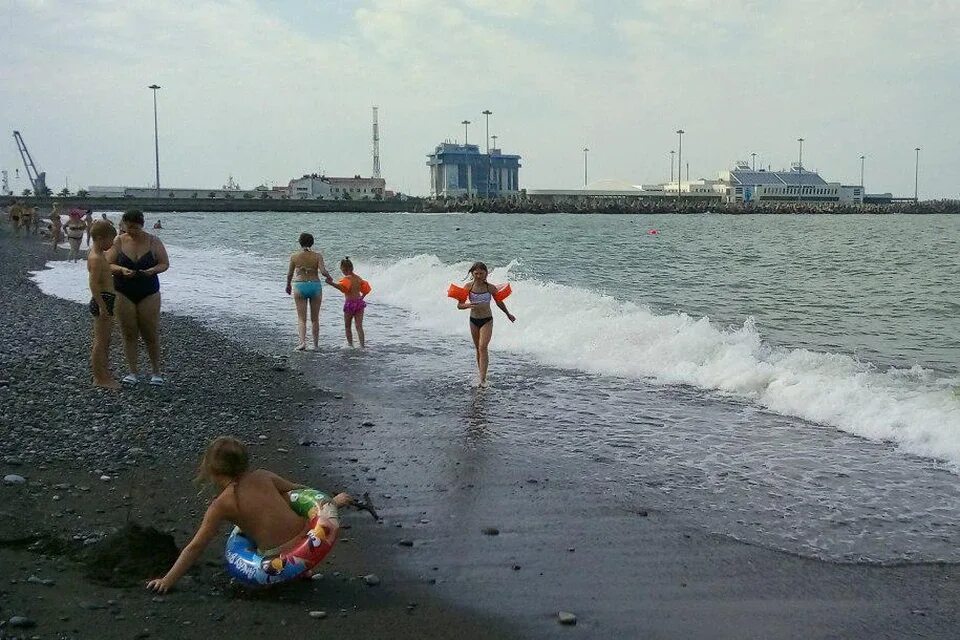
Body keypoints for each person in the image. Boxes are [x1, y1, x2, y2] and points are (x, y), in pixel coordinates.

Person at [146, 437, 352, 593]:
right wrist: (332, 503)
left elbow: (196, 546)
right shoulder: (264, 475)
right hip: (308, 535)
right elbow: (301, 493)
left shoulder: (222, 504)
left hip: (275, 556)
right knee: (285, 500)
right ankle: (300, 569)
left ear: (211, 469)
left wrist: (167, 580)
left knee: (259, 532)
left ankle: (291, 572)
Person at [108, 210, 169, 385]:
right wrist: (120, 269)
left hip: (148, 290)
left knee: (150, 332)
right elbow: (108, 263)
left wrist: (152, 270)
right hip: (123, 290)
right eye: (128, 227)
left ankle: (156, 372)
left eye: (134, 227)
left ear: (141, 225)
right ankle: (132, 371)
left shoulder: (153, 241)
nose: (131, 231)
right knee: (128, 332)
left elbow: (164, 263)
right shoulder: (119, 241)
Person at [456, 262, 515, 387]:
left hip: (487, 320)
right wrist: (468, 305)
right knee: (478, 348)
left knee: (483, 347)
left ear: (486, 273)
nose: (478, 276)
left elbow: (499, 302)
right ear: (472, 274)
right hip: (473, 320)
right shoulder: (468, 287)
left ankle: (482, 380)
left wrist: (508, 314)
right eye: (476, 273)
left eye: (481, 273)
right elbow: (459, 305)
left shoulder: (490, 288)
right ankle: (481, 373)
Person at [285, 232, 331, 351]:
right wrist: (329, 277)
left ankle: (302, 343)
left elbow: (290, 274)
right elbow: (323, 271)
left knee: (301, 318)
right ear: (312, 242)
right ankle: (315, 345)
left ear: (300, 243)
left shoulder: (294, 256)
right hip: (315, 285)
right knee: (315, 319)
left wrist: (288, 285)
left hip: (300, 285)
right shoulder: (317, 256)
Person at [87, 220, 119, 389]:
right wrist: (102, 305)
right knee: (100, 341)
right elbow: (93, 284)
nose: (112, 244)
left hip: (106, 299)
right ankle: (99, 378)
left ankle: (104, 373)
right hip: (102, 300)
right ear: (100, 238)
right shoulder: (96, 258)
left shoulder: (98, 254)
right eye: (110, 240)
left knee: (105, 341)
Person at [325, 257, 369, 348]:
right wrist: (362, 297)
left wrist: (331, 283)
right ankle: (362, 346)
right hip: (359, 303)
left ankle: (350, 345)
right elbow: (366, 289)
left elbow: (342, 288)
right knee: (359, 326)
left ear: (345, 269)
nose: (342, 272)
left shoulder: (347, 279)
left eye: (342, 270)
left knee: (347, 326)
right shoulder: (359, 278)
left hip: (350, 304)